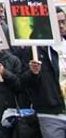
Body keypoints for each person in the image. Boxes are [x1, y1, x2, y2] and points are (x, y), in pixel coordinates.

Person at [20, 7, 66, 137]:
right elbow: (23, 82)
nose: (62, 26)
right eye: (57, 23)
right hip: (51, 113)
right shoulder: (35, 50)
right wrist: (33, 72)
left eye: (64, 22)